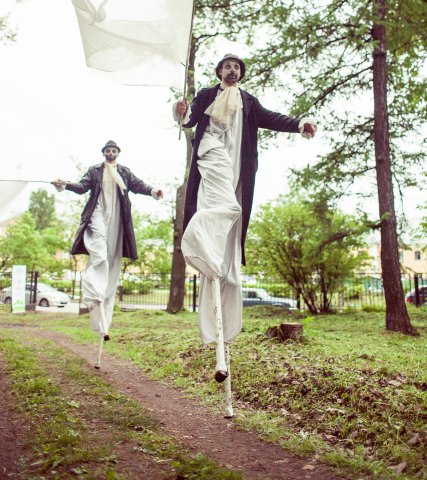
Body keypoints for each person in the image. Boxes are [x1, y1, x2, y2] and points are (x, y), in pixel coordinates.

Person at [173, 54, 316, 348]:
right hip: (212, 159)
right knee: (226, 208)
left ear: (241, 73)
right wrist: (180, 111)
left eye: (236, 67)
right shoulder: (206, 95)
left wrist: (300, 124)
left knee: (232, 239)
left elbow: (273, 118)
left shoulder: (249, 101)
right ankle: (197, 231)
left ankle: (223, 331)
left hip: (239, 167)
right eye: (227, 66)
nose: (232, 70)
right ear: (219, 71)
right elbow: (189, 120)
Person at [52, 141, 163, 338]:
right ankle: (93, 288)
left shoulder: (124, 172)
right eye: (107, 150)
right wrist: (65, 184)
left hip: (117, 218)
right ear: (103, 153)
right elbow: (82, 187)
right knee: (99, 253)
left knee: (112, 263)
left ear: (117, 153)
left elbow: (138, 186)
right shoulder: (94, 170)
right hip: (98, 213)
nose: (110, 153)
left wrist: (154, 191)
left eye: (113, 150)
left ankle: (103, 318)